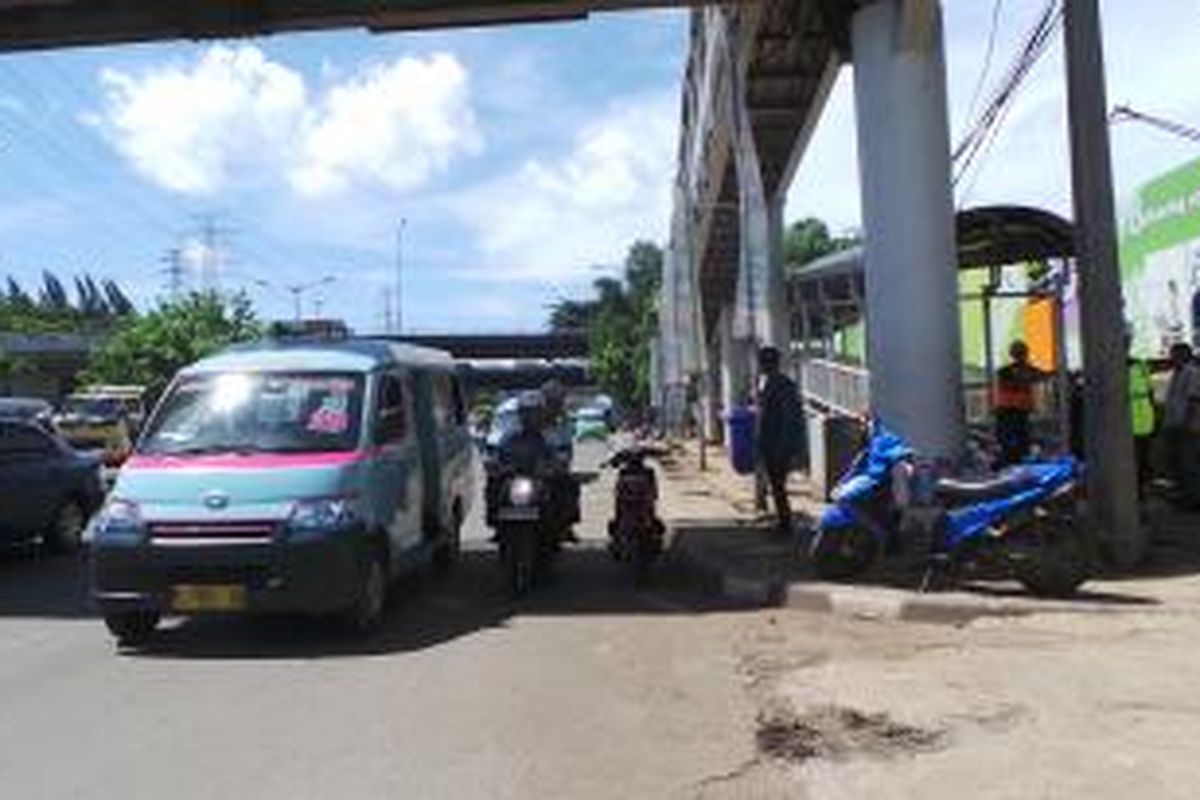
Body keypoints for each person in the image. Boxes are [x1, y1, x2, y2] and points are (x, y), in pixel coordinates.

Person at [756, 346, 805, 535]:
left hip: (777, 445)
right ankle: (783, 522)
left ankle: (785, 524)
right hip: (772, 444)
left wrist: (785, 447)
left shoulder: (780, 385)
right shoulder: (771, 383)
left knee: (778, 486)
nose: (761, 366)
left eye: (763, 363)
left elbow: (788, 418)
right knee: (777, 486)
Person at [993, 340, 1046, 466]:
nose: (1022, 355)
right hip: (1010, 410)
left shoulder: (1016, 370)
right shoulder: (1007, 371)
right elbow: (1032, 378)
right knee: (1014, 439)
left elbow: (1040, 376)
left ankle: (1014, 461)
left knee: (1018, 439)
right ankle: (1011, 461)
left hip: (1015, 410)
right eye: (1020, 353)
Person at [1163, 342, 1200, 506]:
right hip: (1175, 425)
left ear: (1184, 355)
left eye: (1174, 355)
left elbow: (1193, 399)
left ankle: (1193, 498)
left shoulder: (1191, 372)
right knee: (1179, 463)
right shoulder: (1176, 374)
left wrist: (1187, 421)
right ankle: (1185, 495)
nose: (1172, 358)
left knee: (1189, 463)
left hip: (1187, 426)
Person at [1127, 334, 1157, 496]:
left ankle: (1140, 492)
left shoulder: (1141, 365)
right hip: (1124, 424)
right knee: (1131, 461)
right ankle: (1135, 491)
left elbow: (1150, 392)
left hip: (1143, 422)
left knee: (1142, 461)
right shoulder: (1112, 366)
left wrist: (1155, 418)